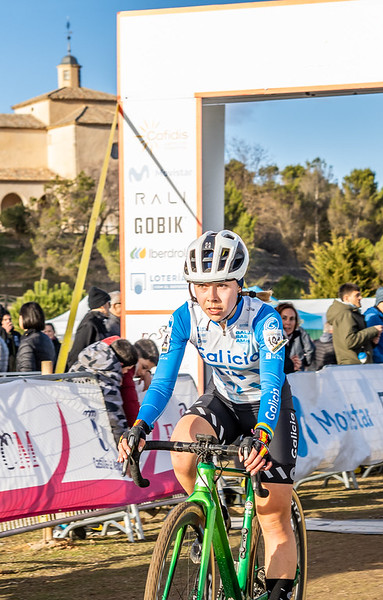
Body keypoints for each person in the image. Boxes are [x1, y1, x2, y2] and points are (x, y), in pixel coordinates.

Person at [118, 230, 298, 600]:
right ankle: (207, 517)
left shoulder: (265, 321)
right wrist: (140, 425)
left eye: (221, 286)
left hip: (268, 407)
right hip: (225, 402)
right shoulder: (186, 317)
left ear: (239, 284)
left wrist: (262, 435)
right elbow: (163, 382)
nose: (211, 297)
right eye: (200, 286)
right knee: (184, 440)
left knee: (272, 512)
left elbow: (272, 384)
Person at [73, 337, 139, 437]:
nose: (125, 373)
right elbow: (113, 411)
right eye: (126, 369)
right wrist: (123, 438)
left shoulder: (86, 359)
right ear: (120, 364)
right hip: (86, 426)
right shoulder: (109, 374)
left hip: (71, 414)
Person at [326, 283, 383, 365]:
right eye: (357, 295)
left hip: (356, 364)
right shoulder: (345, 314)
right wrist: (373, 330)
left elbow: (353, 342)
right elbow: (350, 341)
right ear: (346, 298)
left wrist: (371, 343)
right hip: (354, 366)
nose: (360, 297)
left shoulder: (351, 313)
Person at [67, 286, 111, 370]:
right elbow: (77, 351)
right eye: (109, 303)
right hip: (87, 373)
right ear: (103, 305)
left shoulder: (98, 322)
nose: (110, 307)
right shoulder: (89, 323)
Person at [120, 338, 159, 427]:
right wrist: (137, 427)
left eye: (148, 370)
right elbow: (130, 402)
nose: (142, 373)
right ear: (135, 356)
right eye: (144, 367)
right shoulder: (127, 371)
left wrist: (147, 374)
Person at [16, 301, 56, 372]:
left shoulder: (28, 341)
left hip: (31, 381)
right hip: (46, 380)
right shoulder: (45, 338)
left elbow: (26, 370)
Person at [276, 302, 315, 372]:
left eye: (291, 319)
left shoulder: (301, 333)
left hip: (297, 375)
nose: (288, 322)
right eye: (284, 318)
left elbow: (310, 350)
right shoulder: (272, 337)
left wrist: (302, 363)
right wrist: (290, 364)